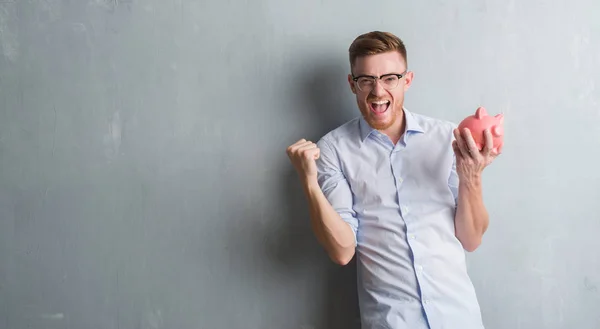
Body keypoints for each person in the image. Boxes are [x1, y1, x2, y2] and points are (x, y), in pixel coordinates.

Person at [286, 31, 501, 329]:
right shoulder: (334, 150)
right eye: (366, 80)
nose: (378, 91)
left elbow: (472, 239)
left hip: (459, 318)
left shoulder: (445, 138)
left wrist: (472, 176)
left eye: (389, 78)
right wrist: (309, 183)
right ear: (352, 84)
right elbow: (342, 250)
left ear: (407, 80)